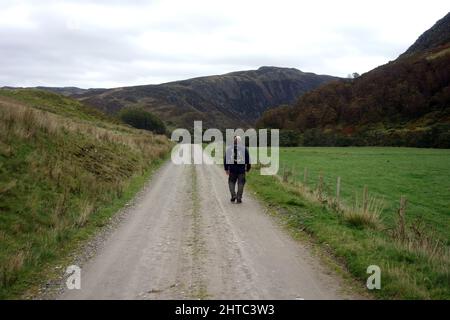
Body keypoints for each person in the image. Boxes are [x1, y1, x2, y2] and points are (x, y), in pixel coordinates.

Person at [224, 136, 251, 203]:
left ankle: (233, 195)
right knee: (241, 183)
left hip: (232, 169)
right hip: (241, 170)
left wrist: (226, 168)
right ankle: (239, 197)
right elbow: (248, 160)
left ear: (234, 141)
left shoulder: (229, 149)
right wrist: (248, 168)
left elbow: (226, 159)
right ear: (240, 141)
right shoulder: (244, 149)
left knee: (231, 182)